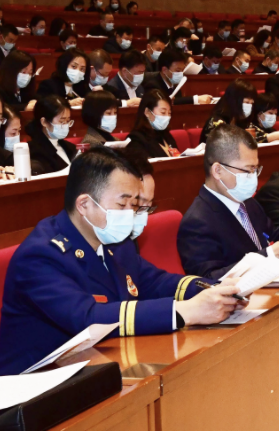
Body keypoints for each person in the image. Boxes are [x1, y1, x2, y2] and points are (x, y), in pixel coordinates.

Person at [0, 146, 244, 376]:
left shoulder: (113, 240)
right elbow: (88, 319)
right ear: (84, 204)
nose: (131, 213)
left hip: (97, 366)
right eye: (122, 203)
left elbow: (154, 281)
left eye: (135, 204)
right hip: (34, 386)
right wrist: (184, 311)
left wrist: (214, 288)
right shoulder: (40, 256)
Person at [177, 125, 279, 280]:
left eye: (255, 169)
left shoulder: (248, 204)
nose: (254, 177)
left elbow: (271, 236)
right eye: (248, 170)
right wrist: (266, 257)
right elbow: (206, 279)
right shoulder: (197, 221)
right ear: (218, 171)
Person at [24, 95, 78, 173]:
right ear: (44, 122)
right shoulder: (34, 151)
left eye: (67, 121)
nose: (65, 125)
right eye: (62, 121)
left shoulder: (70, 147)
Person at [143, 48, 213, 105]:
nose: (180, 73)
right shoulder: (152, 85)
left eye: (182, 70)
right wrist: (195, 99)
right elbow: (164, 102)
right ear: (164, 70)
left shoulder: (174, 83)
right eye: (178, 70)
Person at [201, 79, 258, 143]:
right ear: (234, 101)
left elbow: (261, 137)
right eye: (247, 102)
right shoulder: (216, 122)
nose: (249, 107)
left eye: (252, 103)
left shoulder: (242, 121)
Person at [126, 90, 178, 159]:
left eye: (169, 113)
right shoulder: (136, 140)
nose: (167, 117)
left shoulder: (167, 136)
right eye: (163, 112)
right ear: (147, 112)